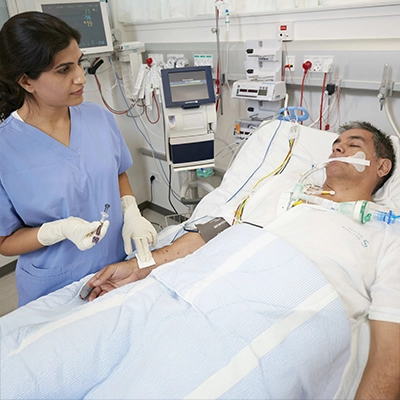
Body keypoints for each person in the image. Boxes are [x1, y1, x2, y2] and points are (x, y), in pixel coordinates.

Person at [86, 121, 400, 399]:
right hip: (190, 294)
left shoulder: (387, 234)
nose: (338, 148)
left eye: (353, 145)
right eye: (335, 144)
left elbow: (390, 350)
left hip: (261, 330)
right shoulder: (284, 189)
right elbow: (216, 228)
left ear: (382, 167)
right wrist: (140, 266)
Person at [0, 11, 157, 307]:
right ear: (26, 81)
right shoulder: (5, 148)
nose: (80, 77)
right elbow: (5, 242)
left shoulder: (98, 117)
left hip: (115, 270)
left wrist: (132, 214)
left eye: (80, 63)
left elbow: (117, 173)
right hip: (53, 287)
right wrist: (56, 230)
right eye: (63, 70)